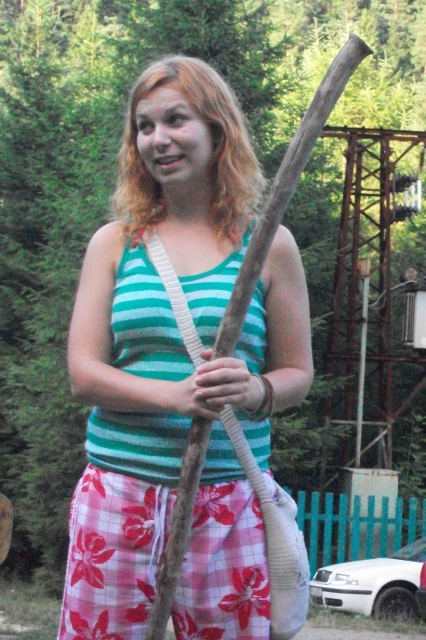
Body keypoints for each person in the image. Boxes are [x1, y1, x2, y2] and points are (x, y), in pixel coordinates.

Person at [57, 55, 313, 640]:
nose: (158, 139)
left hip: (227, 501)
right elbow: (83, 372)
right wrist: (172, 397)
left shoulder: (269, 246)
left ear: (217, 129)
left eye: (176, 120)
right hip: (118, 493)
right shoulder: (115, 244)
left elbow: (298, 372)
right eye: (144, 126)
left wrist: (256, 389)